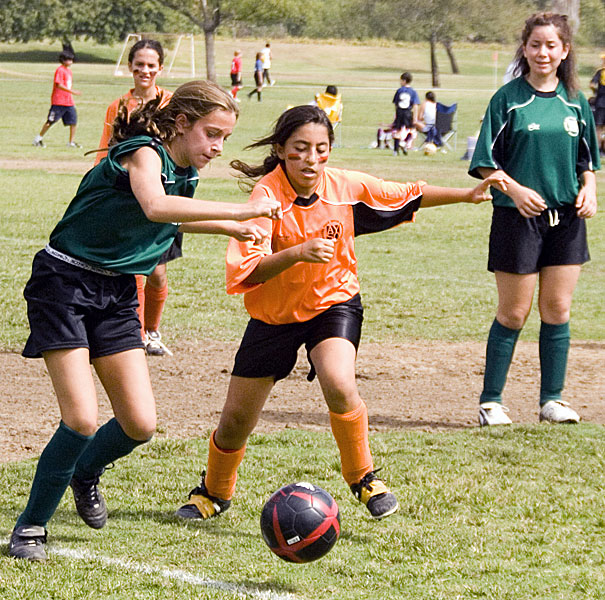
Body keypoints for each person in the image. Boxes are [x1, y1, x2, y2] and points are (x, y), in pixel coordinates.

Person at [175, 104, 508, 523]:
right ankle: (214, 492)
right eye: (300, 148)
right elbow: (250, 271)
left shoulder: (345, 186)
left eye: (321, 148)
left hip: (334, 303)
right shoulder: (266, 197)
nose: (311, 159)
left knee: (339, 381)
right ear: (280, 150)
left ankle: (364, 478)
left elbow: (408, 193)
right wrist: (297, 253)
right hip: (274, 316)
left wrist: (468, 193)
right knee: (236, 420)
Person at [9, 80, 282, 562]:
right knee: (81, 419)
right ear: (181, 123)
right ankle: (30, 527)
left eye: (225, 138)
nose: (218, 147)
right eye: (212, 134)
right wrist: (243, 209)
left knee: (139, 423)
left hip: (116, 291)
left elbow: (170, 217)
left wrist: (231, 227)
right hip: (65, 283)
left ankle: (84, 472)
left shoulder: (184, 170)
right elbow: (155, 205)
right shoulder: (144, 154)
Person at [469, 12, 600, 427]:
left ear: (564, 51)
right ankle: (491, 402)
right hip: (517, 219)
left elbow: (586, 161)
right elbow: (485, 163)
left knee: (557, 309)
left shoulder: (575, 101)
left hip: (567, 219)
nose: (543, 52)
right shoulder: (507, 99)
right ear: (524, 50)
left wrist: (590, 188)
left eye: (551, 45)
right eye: (535, 45)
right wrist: (516, 190)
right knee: (513, 313)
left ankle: (552, 401)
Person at [95, 39, 177, 356]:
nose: (145, 70)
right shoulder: (118, 106)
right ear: (130, 66)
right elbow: (105, 151)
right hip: (126, 199)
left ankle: (152, 330)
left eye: (151, 65)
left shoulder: (171, 104)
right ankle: (137, 336)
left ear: (160, 68)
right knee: (134, 272)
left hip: (161, 197)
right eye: (139, 64)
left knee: (156, 273)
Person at [33, 50, 82, 148]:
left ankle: (71, 142)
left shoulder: (69, 71)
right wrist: (72, 91)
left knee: (73, 121)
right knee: (50, 121)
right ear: (63, 60)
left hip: (68, 102)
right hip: (58, 101)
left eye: (71, 60)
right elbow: (59, 84)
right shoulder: (60, 70)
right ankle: (38, 139)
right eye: (68, 60)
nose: (71, 62)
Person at [392, 72, 420, 156]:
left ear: (404, 81)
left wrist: (396, 114)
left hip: (399, 112)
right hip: (408, 113)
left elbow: (396, 104)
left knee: (397, 131)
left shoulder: (399, 91)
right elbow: (415, 105)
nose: (400, 82)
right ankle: (403, 142)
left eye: (401, 81)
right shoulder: (413, 92)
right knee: (412, 130)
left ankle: (395, 150)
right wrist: (415, 118)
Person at [589, 53, 605, 157]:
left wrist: (596, 92)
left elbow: (591, 84)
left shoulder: (600, 72)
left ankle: (598, 149)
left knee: (598, 126)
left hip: (600, 103)